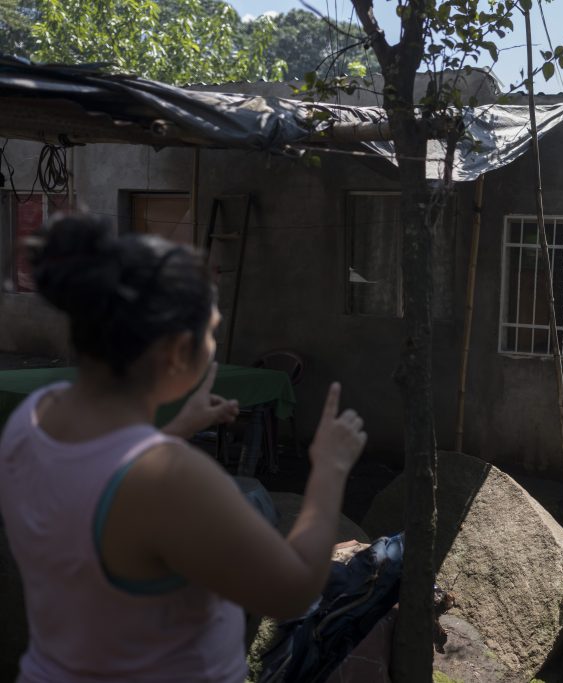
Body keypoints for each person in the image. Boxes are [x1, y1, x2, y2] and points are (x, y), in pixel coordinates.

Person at [0, 213, 367, 682]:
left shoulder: (33, 417)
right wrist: (329, 469)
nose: (213, 345)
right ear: (175, 350)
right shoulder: (169, 477)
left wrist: (176, 427)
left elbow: (97, 484)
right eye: (210, 332)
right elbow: (292, 591)